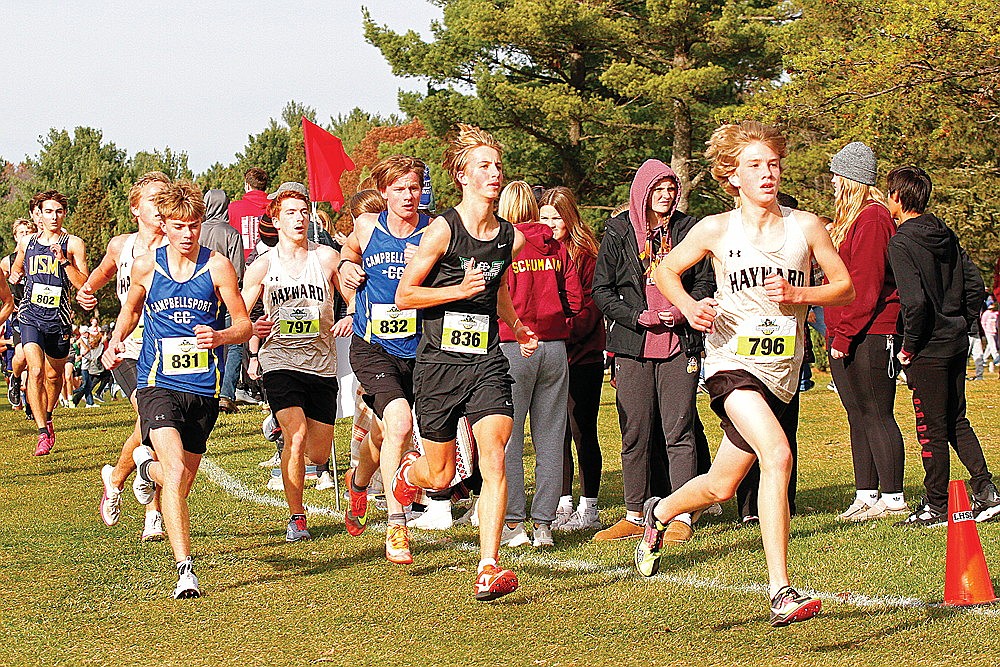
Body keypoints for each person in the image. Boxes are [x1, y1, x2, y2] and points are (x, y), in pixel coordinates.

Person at [635, 121, 854, 626]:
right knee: (777, 455)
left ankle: (658, 513)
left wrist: (802, 295)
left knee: (721, 485)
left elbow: (845, 287)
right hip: (730, 364)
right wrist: (691, 307)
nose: (767, 173)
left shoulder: (807, 227)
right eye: (754, 165)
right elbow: (664, 271)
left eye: (773, 164)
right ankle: (781, 590)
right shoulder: (715, 228)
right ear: (732, 176)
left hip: (781, 369)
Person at [392, 124, 538, 601]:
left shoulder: (510, 239)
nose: (494, 173)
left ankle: (489, 565)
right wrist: (457, 290)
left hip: (487, 361)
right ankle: (406, 478)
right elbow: (404, 294)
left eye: (498, 166)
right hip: (438, 364)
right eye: (484, 166)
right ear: (462, 175)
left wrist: (516, 324)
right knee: (440, 474)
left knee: (494, 455)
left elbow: (495, 292)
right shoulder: (442, 229)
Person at [103, 181, 252, 598]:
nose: (188, 234)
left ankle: (142, 468)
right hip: (157, 382)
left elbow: (241, 324)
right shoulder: (147, 266)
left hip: (202, 386)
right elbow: (130, 311)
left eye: (195, 225)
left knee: (181, 477)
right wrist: (116, 342)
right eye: (180, 225)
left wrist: (220, 337)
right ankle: (186, 570)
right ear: (164, 225)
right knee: (174, 470)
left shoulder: (217, 266)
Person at [591, 160, 714, 543]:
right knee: (635, 431)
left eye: (671, 188)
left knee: (679, 430)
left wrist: (682, 310)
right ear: (643, 191)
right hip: (633, 346)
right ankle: (633, 513)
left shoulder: (689, 228)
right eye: (658, 188)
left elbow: (705, 282)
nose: (666, 195)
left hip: (681, 345)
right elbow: (601, 290)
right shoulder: (619, 230)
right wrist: (636, 316)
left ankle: (682, 516)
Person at [885, 165, 1000, 526]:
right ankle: (986, 492)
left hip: (929, 348)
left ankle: (936, 505)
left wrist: (909, 347)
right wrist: (962, 323)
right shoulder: (945, 233)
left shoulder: (901, 242)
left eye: (889, 193)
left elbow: (914, 302)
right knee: (955, 420)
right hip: (953, 341)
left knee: (930, 428)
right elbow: (973, 282)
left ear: (899, 198)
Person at [337, 157, 431, 563]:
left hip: (423, 347)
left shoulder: (435, 230)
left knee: (382, 435)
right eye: (399, 189)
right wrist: (345, 269)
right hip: (373, 346)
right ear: (385, 192)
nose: (408, 196)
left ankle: (358, 485)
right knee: (399, 423)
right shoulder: (366, 226)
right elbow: (348, 252)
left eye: (414, 187)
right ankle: (398, 523)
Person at [241, 188, 342, 542]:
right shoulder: (264, 264)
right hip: (279, 358)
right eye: (290, 213)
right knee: (296, 436)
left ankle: (276, 424)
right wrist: (251, 327)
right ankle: (297, 517)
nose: (299, 219)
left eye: (303, 212)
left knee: (317, 451)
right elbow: (240, 308)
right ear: (275, 220)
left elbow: (355, 292)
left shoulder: (327, 258)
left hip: (322, 362)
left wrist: (353, 314)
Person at [80, 171, 171, 537]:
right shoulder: (122, 246)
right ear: (136, 207)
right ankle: (148, 502)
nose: (162, 207)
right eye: (154, 199)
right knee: (151, 415)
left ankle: (120, 480)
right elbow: (102, 272)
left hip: (168, 350)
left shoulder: (175, 247)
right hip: (127, 348)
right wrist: (87, 289)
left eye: (167, 199)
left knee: (162, 427)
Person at [823, 142, 908, 522]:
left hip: (872, 332)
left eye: (837, 176)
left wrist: (844, 335)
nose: (833, 183)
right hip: (846, 330)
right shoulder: (853, 219)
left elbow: (867, 284)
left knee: (876, 412)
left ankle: (892, 495)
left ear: (851, 178)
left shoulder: (873, 218)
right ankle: (866, 492)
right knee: (857, 414)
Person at [495, 181, 582, 548]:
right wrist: (557, 324)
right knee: (550, 438)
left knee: (508, 438)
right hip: (554, 346)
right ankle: (543, 523)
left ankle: (514, 520)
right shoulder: (555, 245)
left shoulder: (500, 245)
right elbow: (576, 299)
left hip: (512, 344)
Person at [538, 187, 607, 532]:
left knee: (582, 430)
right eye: (544, 217)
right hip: (551, 356)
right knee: (555, 432)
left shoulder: (587, 256)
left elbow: (591, 309)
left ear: (569, 219)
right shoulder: (538, 253)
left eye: (555, 218)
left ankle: (589, 506)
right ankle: (563, 503)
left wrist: (560, 330)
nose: (549, 224)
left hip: (582, 356)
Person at [11, 191, 90, 456]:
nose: (53, 217)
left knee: (54, 375)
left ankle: (48, 414)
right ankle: (42, 431)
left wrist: (64, 261)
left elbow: (84, 284)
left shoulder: (74, 244)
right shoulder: (27, 242)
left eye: (58, 211)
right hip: (30, 315)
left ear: (64, 214)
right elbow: (17, 269)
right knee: (35, 371)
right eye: (48, 211)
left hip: (59, 319)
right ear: (39, 214)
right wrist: (15, 278)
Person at [202, 188, 246, 414]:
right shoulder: (232, 234)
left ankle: (205, 391)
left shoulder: (196, 232)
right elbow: (238, 270)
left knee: (204, 343)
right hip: (226, 297)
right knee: (235, 344)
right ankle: (227, 393)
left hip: (200, 297)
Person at [1, 218, 36, 409]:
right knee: (22, 354)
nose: (26, 236)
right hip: (18, 313)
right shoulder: (7, 262)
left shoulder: (38, 256)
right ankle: (14, 379)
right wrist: (9, 302)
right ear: (15, 237)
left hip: (39, 312)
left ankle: (33, 403)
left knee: (36, 362)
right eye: (22, 233)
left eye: (29, 232)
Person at [228, 168, 270, 260]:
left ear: (247, 185)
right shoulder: (275, 207)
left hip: (242, 263)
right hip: (270, 262)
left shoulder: (233, 208)